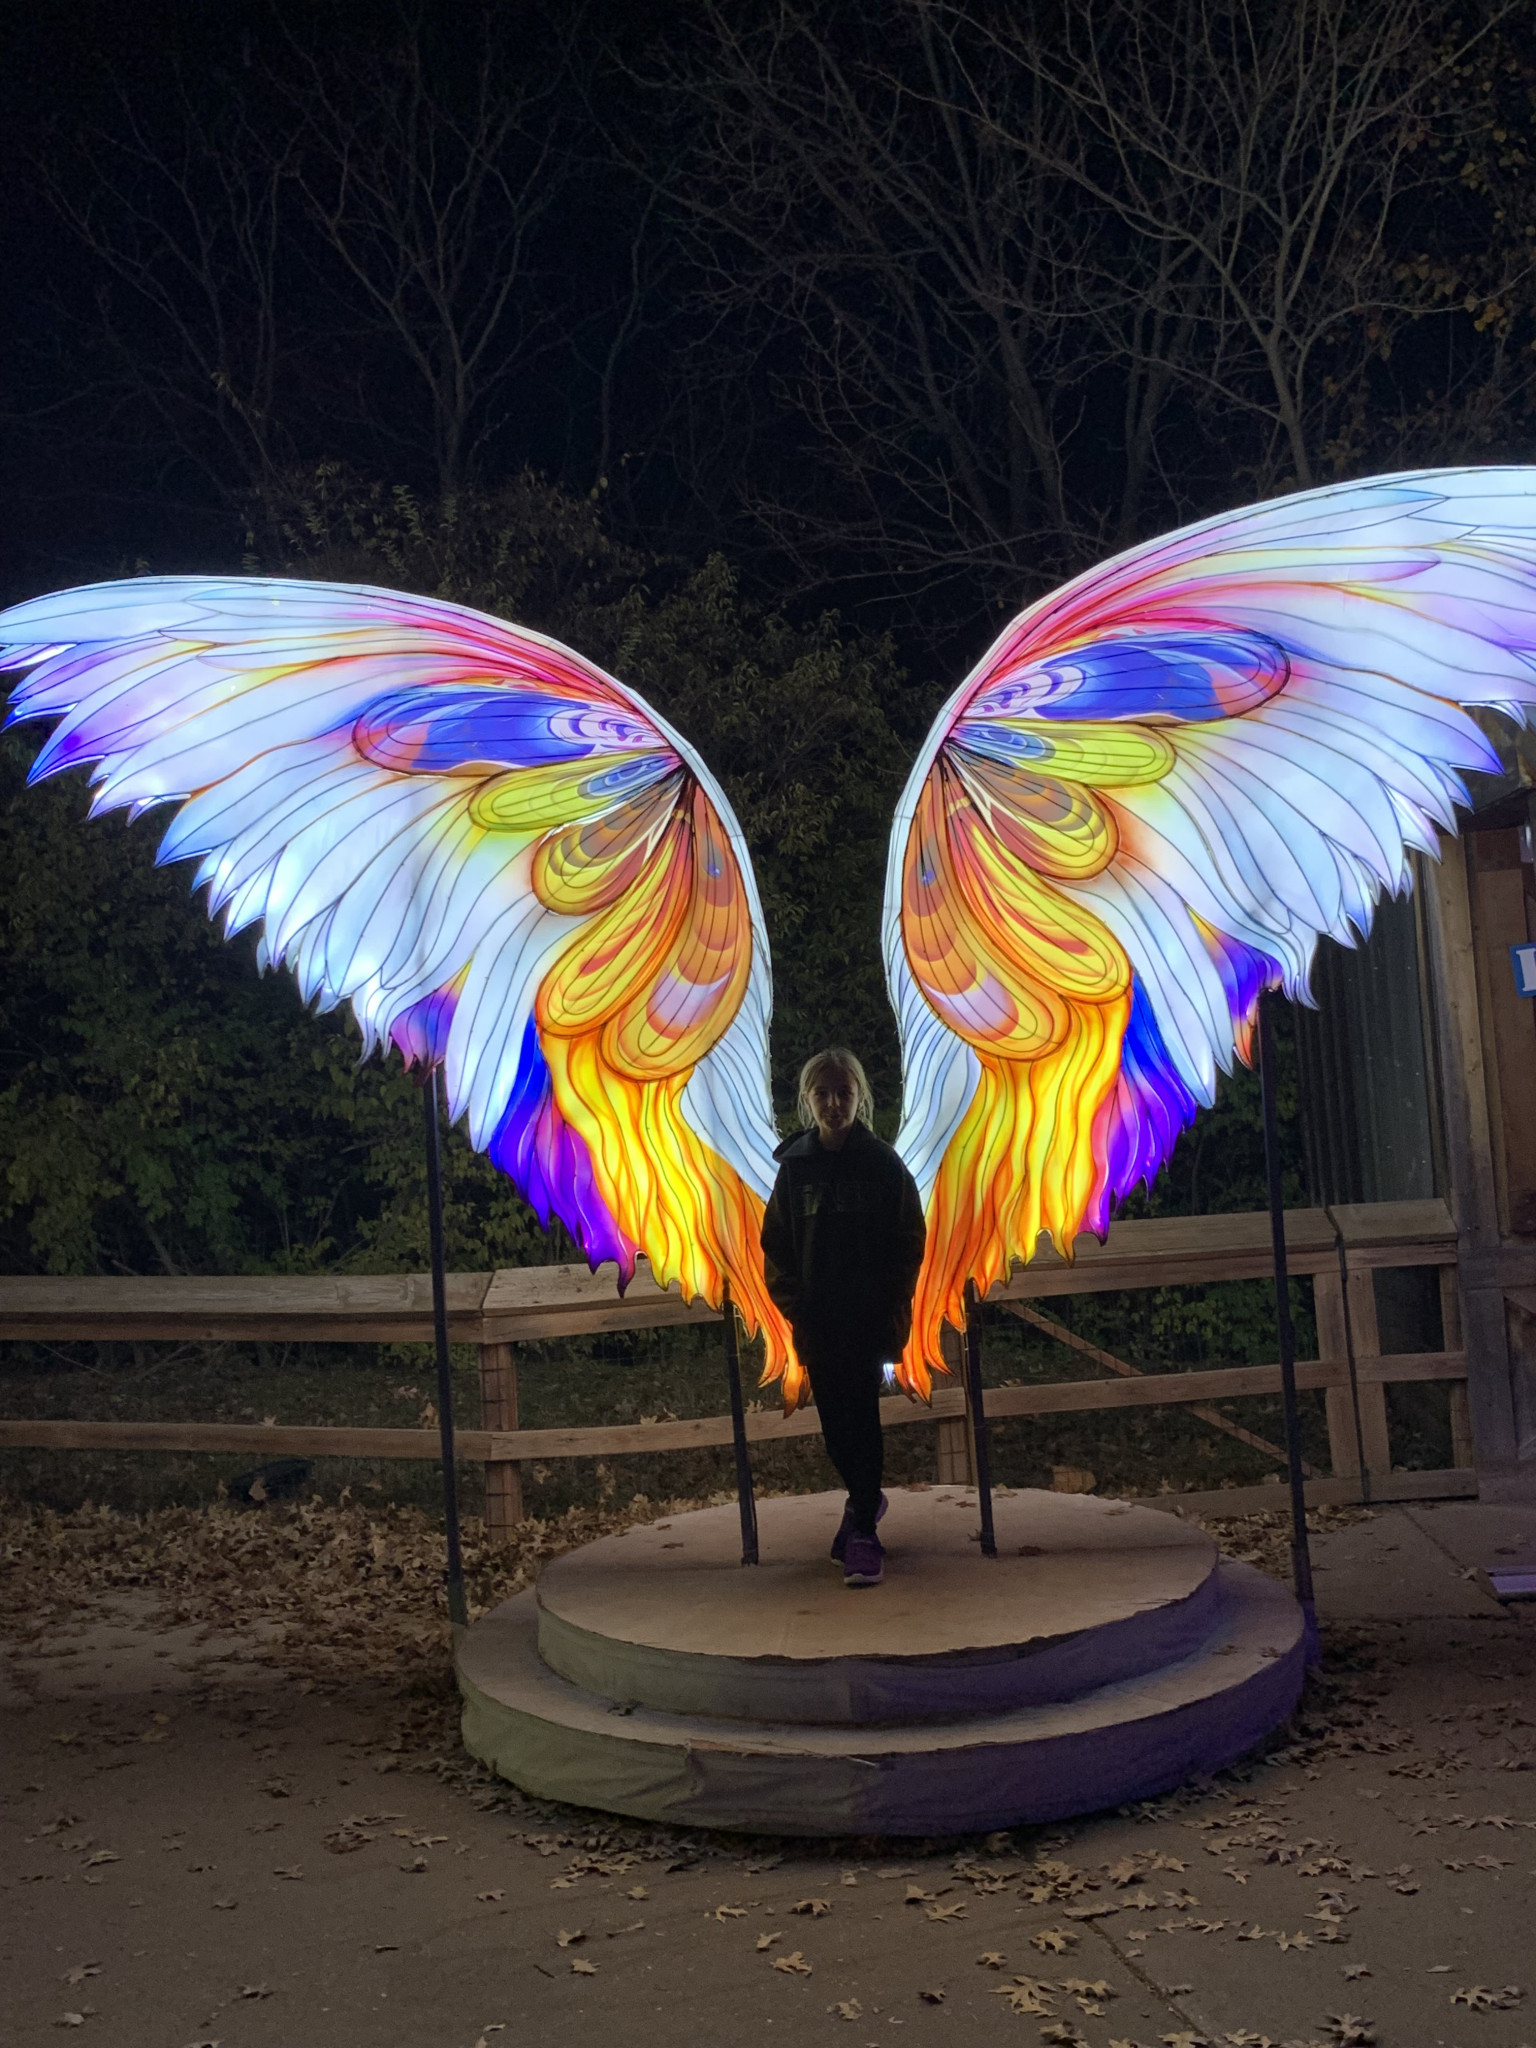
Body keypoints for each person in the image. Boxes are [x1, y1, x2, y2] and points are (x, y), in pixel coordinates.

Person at [760, 1048, 926, 1587]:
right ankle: (862, 1505)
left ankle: (863, 1537)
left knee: (862, 1419)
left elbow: (909, 1237)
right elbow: (775, 1247)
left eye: (844, 1093)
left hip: (868, 1321)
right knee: (835, 1426)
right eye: (823, 1093)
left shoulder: (883, 1166)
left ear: (860, 1097)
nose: (834, 1103)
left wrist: (891, 1300)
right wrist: (797, 1306)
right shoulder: (794, 1171)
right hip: (819, 1323)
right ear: (807, 1100)